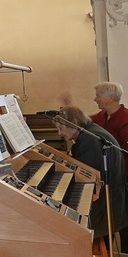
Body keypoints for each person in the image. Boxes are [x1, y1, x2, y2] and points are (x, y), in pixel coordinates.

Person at [54, 106, 128, 244]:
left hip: (106, 203)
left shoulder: (89, 140)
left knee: (60, 222)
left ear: (74, 123)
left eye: (61, 128)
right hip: (113, 196)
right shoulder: (90, 131)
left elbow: (87, 176)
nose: (59, 133)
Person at [89, 82, 128, 253]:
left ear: (110, 98)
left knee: (124, 219)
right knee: (108, 218)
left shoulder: (126, 118)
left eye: (98, 95)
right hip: (107, 178)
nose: (95, 99)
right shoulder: (102, 116)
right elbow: (85, 121)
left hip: (123, 178)